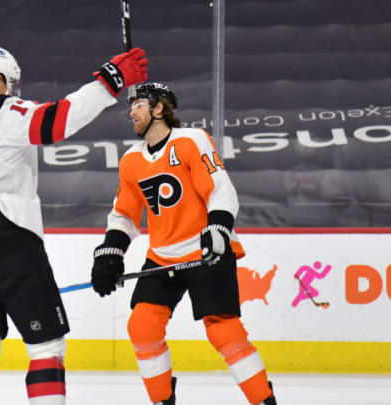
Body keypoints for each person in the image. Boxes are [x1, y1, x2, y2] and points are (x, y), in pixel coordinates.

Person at [0, 45, 147, 405]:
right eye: (10, 84)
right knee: (47, 348)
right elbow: (62, 119)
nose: (14, 91)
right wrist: (112, 79)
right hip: (12, 243)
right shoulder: (9, 111)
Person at [90, 82, 277, 405]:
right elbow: (124, 215)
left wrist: (218, 229)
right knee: (142, 327)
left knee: (224, 331)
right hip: (162, 258)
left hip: (207, 250)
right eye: (130, 106)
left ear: (159, 108)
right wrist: (110, 252)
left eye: (138, 104)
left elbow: (220, 188)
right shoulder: (131, 161)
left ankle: (263, 400)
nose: (130, 111)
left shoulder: (191, 140)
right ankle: (163, 401)